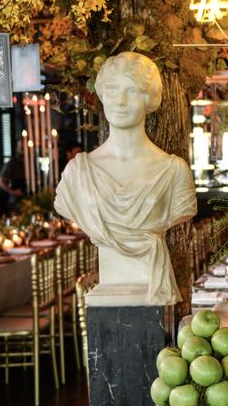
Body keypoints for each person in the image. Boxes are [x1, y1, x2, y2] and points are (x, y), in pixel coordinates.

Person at [55, 52, 196, 306]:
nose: (119, 101)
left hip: (151, 290)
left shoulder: (173, 171)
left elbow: (182, 210)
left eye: (131, 91)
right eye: (111, 90)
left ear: (149, 98)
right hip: (110, 286)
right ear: (102, 95)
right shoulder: (78, 173)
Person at [0, 139, 28, 209]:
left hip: (30, 199)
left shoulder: (32, 162)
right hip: (16, 201)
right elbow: (0, 181)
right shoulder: (12, 164)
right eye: (21, 148)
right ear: (17, 148)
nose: (22, 150)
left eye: (24, 148)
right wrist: (13, 192)